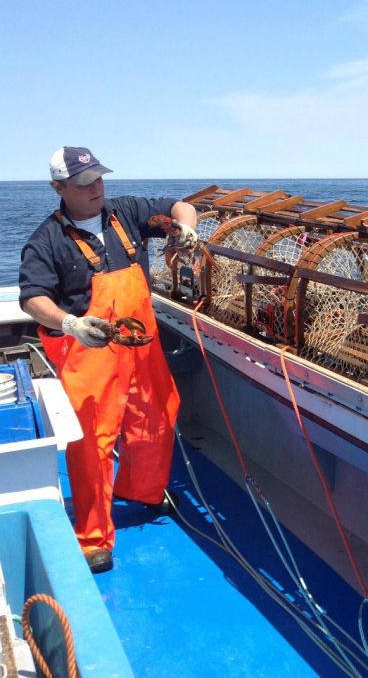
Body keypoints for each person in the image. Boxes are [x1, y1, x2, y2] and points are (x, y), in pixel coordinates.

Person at [18, 146, 199, 574]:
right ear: (58, 188)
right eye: (84, 183)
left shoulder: (127, 212)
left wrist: (187, 229)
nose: (96, 188)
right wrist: (69, 323)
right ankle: (93, 536)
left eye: (99, 178)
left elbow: (181, 206)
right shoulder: (46, 241)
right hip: (90, 351)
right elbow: (32, 298)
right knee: (93, 442)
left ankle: (143, 492)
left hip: (142, 344)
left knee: (156, 415)